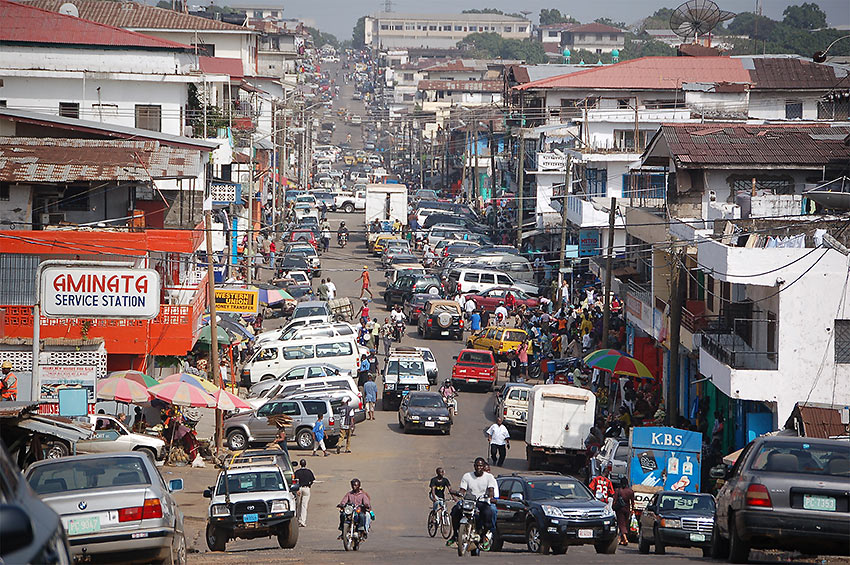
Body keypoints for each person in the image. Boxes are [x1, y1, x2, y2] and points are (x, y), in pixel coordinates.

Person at [447, 458, 497, 548]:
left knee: (488, 513)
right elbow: (462, 490)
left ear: (483, 467)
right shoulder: (467, 476)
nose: (479, 468)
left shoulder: (489, 477)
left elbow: (491, 490)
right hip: (469, 501)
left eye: (481, 466)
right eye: (477, 466)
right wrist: (458, 493)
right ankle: (455, 535)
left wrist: (490, 496)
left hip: (482, 502)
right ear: (474, 466)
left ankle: (484, 535)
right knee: (455, 510)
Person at [613, 476, 635, 546]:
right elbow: (632, 502)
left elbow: (614, 500)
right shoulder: (630, 491)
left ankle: (625, 539)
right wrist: (632, 510)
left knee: (621, 524)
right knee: (625, 524)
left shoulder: (618, 490)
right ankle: (620, 539)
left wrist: (613, 506)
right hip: (627, 510)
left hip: (620, 510)